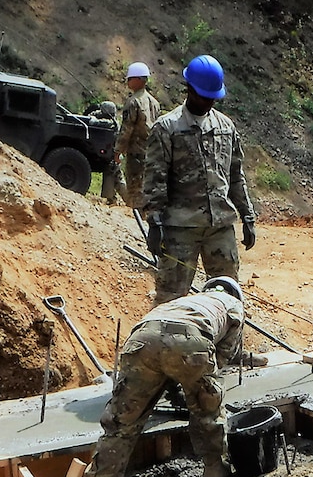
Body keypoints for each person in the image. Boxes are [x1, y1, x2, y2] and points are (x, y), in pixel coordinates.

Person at [66, 276, 245, 477]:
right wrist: (191, 393)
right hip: (190, 341)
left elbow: (162, 346)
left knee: (121, 424)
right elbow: (221, 358)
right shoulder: (232, 305)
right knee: (208, 406)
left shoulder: (186, 301)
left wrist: (167, 381)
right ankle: (213, 473)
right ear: (235, 294)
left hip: (141, 338)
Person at [141, 55, 256, 304]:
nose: (209, 102)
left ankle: (224, 344)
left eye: (213, 97)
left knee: (228, 297)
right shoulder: (167, 128)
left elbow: (236, 176)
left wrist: (248, 216)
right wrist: (154, 222)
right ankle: (166, 343)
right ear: (189, 90)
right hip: (180, 228)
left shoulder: (226, 127)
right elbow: (154, 179)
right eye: (205, 96)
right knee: (170, 299)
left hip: (220, 228)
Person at [104, 61, 161, 207]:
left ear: (138, 79)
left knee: (134, 190)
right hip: (152, 153)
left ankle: (137, 218)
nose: (127, 82)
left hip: (136, 154)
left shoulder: (133, 102)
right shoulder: (155, 103)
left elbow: (126, 130)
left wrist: (118, 151)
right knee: (147, 188)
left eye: (129, 79)